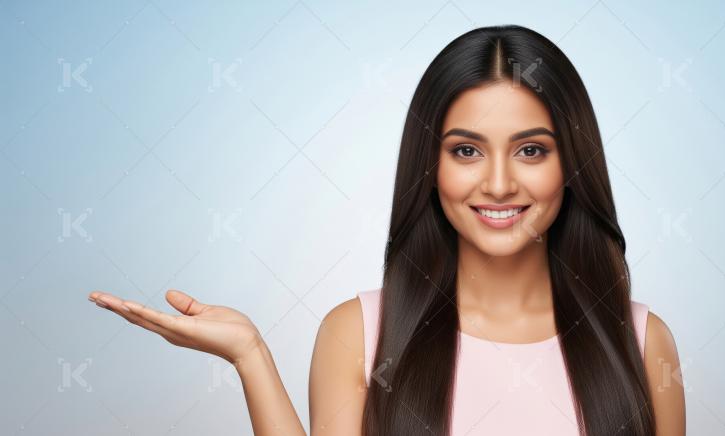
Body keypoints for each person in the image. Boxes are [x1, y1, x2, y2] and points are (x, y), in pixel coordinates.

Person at [87, 24, 685, 436]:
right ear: (430, 165)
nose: (500, 184)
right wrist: (251, 357)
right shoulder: (360, 334)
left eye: (531, 150)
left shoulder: (641, 341)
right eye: (467, 151)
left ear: (572, 164)